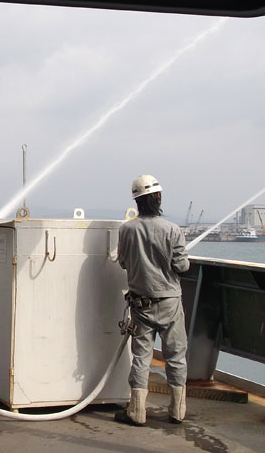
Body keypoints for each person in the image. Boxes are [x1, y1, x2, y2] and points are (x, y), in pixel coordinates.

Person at [115, 174, 190, 426]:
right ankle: (177, 411)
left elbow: (123, 262)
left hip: (141, 305)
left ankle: (137, 412)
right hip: (170, 302)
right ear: (158, 197)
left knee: (141, 357)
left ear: (136, 201)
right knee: (176, 356)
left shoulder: (126, 229)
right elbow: (181, 266)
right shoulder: (173, 230)